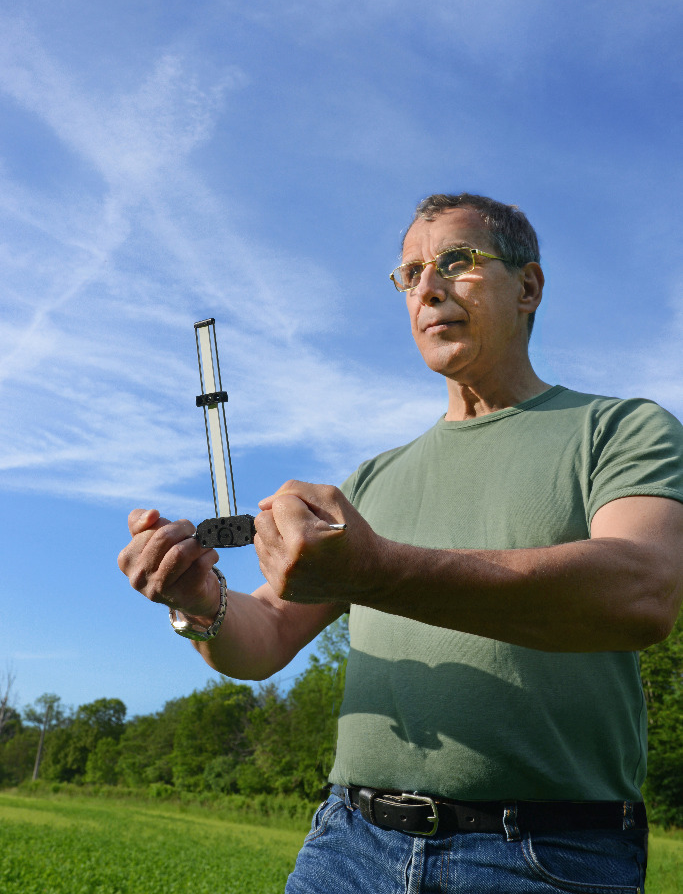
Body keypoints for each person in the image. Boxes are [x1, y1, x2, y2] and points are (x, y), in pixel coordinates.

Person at [119, 193, 683, 892]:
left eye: (456, 261)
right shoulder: (373, 479)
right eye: (410, 273)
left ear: (528, 286)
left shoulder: (619, 428)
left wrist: (378, 569)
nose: (428, 288)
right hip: (347, 846)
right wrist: (200, 604)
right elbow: (262, 635)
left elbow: (641, 591)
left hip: (545, 853)